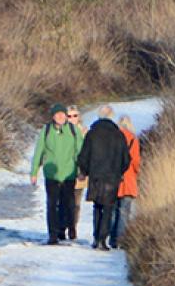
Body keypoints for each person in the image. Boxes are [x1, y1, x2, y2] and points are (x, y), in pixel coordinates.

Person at [77, 105, 131, 251]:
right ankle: (102, 239)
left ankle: (96, 237)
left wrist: (85, 171)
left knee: (97, 207)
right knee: (108, 207)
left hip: (96, 176)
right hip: (112, 177)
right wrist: (119, 172)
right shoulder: (119, 135)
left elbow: (84, 156)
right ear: (112, 116)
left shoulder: (92, 134)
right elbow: (126, 159)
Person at [29, 104, 82, 245]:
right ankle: (52, 234)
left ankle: (66, 228)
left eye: (63, 114)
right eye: (57, 114)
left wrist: (81, 170)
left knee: (68, 204)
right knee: (52, 204)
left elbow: (79, 151)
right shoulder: (46, 130)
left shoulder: (73, 130)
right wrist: (34, 171)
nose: (61, 117)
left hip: (69, 173)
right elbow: (39, 151)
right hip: (51, 174)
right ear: (53, 116)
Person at [112, 115, 141, 248]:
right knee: (124, 212)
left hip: (114, 179)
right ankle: (121, 240)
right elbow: (135, 162)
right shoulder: (133, 140)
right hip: (128, 180)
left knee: (113, 211)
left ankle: (112, 238)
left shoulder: (112, 139)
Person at [63, 105, 85, 240]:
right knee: (64, 201)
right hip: (64, 172)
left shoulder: (84, 132)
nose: (72, 118)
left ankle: (72, 227)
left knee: (76, 203)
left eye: (75, 115)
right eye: (69, 116)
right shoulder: (61, 131)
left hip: (79, 173)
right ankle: (62, 226)